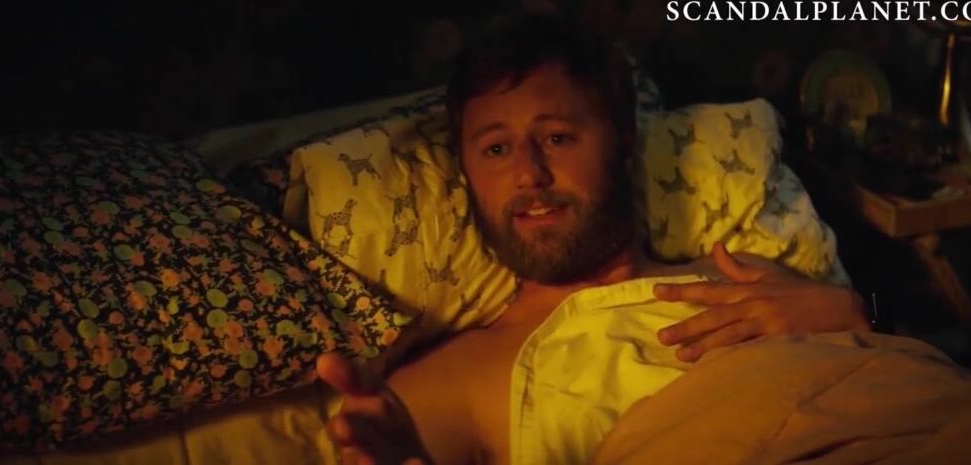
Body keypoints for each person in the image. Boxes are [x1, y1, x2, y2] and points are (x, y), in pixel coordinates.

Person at [315, 13, 870, 465]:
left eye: (557, 137)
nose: (528, 174)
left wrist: (856, 312)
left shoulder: (747, 277)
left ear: (624, 147)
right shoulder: (452, 382)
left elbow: (880, 370)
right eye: (496, 149)